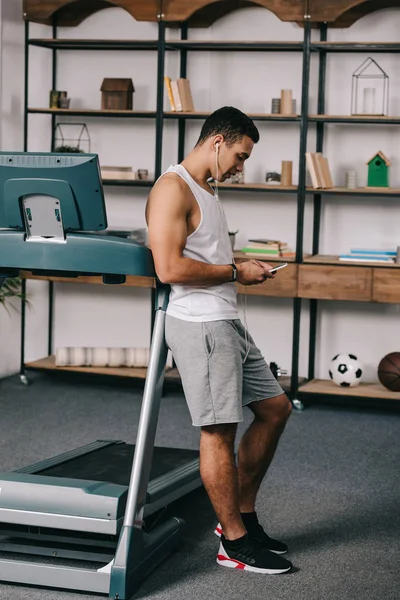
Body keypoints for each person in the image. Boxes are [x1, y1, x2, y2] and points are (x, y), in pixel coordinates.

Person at [146, 106, 293, 575]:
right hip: (200, 325)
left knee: (275, 409)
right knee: (218, 431)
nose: (240, 166)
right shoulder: (172, 188)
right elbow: (168, 268)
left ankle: (243, 516)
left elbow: (204, 254)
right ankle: (233, 543)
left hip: (227, 320)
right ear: (216, 141)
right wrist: (235, 271)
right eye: (239, 155)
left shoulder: (207, 189)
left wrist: (241, 265)